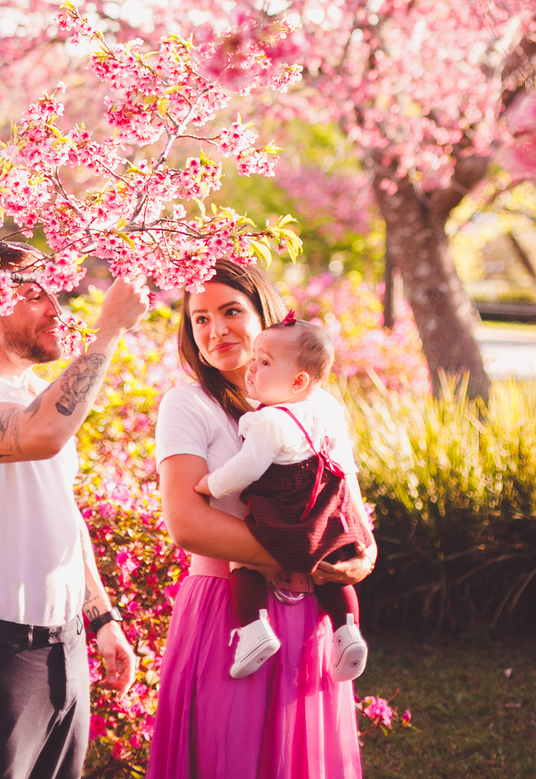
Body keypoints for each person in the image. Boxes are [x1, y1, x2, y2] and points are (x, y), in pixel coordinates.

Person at [0, 243, 148, 779]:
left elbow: (61, 514)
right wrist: (108, 329)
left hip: (66, 645)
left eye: (53, 291)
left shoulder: (44, 395)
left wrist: (102, 618)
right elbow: (41, 434)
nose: (55, 306)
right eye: (32, 294)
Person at [147, 258, 376, 779]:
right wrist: (308, 555)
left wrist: (358, 563)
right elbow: (187, 524)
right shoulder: (189, 406)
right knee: (227, 754)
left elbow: (353, 516)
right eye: (200, 318)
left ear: (264, 315)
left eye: (230, 311)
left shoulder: (321, 408)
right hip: (227, 611)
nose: (215, 329)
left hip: (313, 617)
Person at [194, 313, 371, 684]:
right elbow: (339, 459)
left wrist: (210, 484)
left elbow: (246, 469)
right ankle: (348, 631)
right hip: (326, 507)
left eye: (264, 362)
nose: (251, 368)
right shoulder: (323, 407)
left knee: (243, 565)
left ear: (298, 380)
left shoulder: (267, 422)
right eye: (255, 358)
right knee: (333, 571)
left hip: (285, 512)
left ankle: (255, 631)